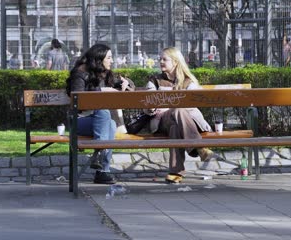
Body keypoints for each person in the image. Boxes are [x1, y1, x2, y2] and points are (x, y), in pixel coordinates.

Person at [145, 47, 213, 184]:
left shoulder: (188, 81)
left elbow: (193, 103)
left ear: (175, 62)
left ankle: (175, 172)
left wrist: (167, 106)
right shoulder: (154, 80)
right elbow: (148, 105)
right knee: (178, 110)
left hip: (185, 122)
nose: (161, 62)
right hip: (161, 122)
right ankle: (199, 147)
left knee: (176, 124)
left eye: (165, 59)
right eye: (160, 59)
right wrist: (157, 108)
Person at [66, 44, 131, 184]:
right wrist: (102, 91)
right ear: (98, 59)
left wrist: (127, 84)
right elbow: (77, 97)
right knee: (103, 112)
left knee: (111, 124)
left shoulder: (103, 72)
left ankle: (102, 168)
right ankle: (101, 160)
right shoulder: (80, 73)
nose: (112, 60)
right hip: (79, 121)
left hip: (100, 122)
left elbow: (126, 83)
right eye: (109, 57)